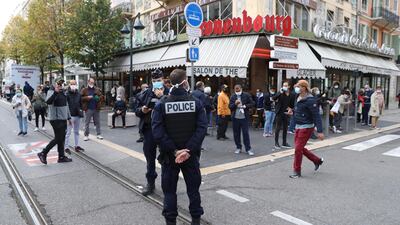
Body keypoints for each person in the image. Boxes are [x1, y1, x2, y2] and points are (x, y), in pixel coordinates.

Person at [152, 69, 207, 225]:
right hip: (190, 156)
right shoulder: (196, 103)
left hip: (170, 156)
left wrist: (175, 151)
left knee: (169, 191)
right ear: (184, 82)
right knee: (193, 190)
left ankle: (171, 221)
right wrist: (188, 149)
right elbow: (202, 128)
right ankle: (195, 220)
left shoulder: (162, 104)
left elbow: (157, 132)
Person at [135, 69, 166, 196]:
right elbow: (136, 110)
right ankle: (150, 183)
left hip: (165, 131)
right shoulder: (145, 93)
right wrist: (142, 110)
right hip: (149, 130)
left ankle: (167, 184)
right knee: (150, 158)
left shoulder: (169, 92)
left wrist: (162, 98)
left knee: (167, 159)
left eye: (159, 81)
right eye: (154, 81)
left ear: (163, 80)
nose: (157, 83)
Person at [290, 80, 324, 178]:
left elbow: (316, 116)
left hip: (307, 127)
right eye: (297, 86)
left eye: (299, 86)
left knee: (297, 149)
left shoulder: (310, 100)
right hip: (298, 126)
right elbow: (298, 110)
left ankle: (297, 171)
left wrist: (320, 131)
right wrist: (292, 112)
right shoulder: (298, 97)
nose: (297, 88)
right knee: (299, 148)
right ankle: (317, 160)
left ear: (304, 88)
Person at [37, 77, 72, 164]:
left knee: (62, 138)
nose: (60, 85)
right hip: (56, 119)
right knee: (58, 138)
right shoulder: (51, 91)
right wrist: (55, 92)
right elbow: (48, 102)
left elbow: (66, 105)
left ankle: (61, 156)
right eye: (58, 83)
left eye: (61, 83)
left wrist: (68, 117)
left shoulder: (63, 92)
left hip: (63, 118)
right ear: (54, 83)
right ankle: (43, 153)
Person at [229, 84, 255, 155]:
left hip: (244, 118)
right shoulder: (233, 96)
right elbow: (230, 107)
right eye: (235, 89)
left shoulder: (246, 95)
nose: (237, 91)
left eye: (238, 89)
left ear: (241, 89)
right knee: (236, 134)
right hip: (235, 118)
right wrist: (235, 104)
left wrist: (245, 106)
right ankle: (238, 147)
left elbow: (252, 103)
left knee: (245, 133)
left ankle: (248, 149)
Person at [273, 82, 295, 149]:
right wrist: (280, 92)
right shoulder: (280, 93)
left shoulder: (291, 94)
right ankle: (276, 143)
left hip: (286, 113)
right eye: (283, 85)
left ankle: (284, 142)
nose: (284, 87)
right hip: (279, 112)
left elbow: (292, 105)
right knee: (278, 128)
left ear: (289, 86)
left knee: (285, 128)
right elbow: (274, 98)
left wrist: (290, 109)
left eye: (286, 85)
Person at [65, 80, 84, 154]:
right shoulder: (67, 94)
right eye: (72, 84)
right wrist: (67, 117)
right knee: (68, 132)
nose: (73, 85)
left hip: (77, 115)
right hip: (70, 116)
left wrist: (81, 112)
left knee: (76, 132)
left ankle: (76, 146)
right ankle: (66, 147)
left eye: (74, 84)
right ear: (69, 85)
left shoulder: (78, 94)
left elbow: (80, 104)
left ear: (76, 84)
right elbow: (65, 106)